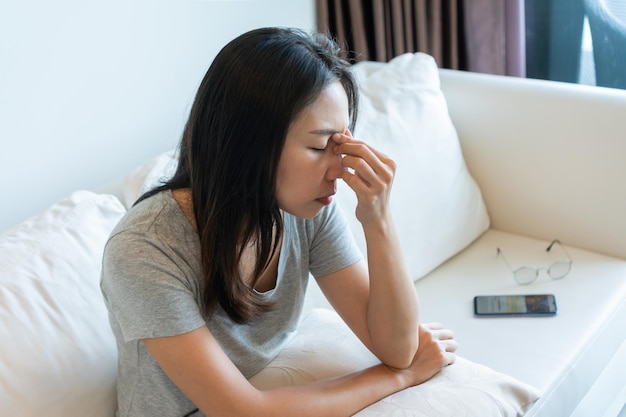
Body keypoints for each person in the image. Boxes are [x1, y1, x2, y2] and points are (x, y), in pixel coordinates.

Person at [101, 27, 457, 417]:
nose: (339, 168)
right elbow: (242, 411)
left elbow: (397, 348)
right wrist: (398, 379)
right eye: (321, 146)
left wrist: (379, 220)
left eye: (341, 144)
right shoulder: (145, 249)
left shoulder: (305, 209)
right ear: (247, 144)